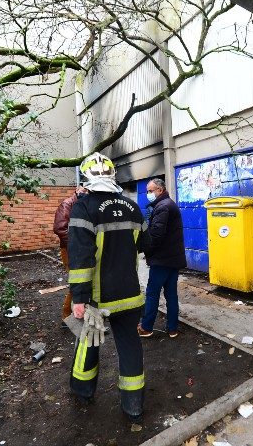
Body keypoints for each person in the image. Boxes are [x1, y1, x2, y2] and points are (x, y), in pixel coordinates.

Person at [67, 152, 151, 421]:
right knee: (130, 346)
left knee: (89, 343)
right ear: (113, 176)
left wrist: (79, 298)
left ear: (85, 178)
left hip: (98, 300)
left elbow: (81, 259)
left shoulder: (84, 208)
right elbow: (146, 245)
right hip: (130, 296)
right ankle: (133, 404)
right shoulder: (133, 207)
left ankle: (82, 390)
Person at [138, 178, 186, 338]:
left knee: (152, 293)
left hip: (162, 259)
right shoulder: (167, 204)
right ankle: (172, 329)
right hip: (172, 258)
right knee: (171, 294)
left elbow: (156, 235)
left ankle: (146, 327)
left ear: (160, 190)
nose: (148, 194)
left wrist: (144, 249)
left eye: (150, 191)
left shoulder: (163, 207)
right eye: (147, 191)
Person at [53, 186, 87, 322]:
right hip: (70, 250)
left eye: (88, 191)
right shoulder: (67, 204)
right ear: (77, 189)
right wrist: (77, 244)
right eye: (83, 190)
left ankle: (78, 314)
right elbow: (60, 228)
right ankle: (67, 316)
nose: (85, 193)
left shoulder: (83, 204)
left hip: (81, 249)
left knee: (82, 281)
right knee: (76, 282)